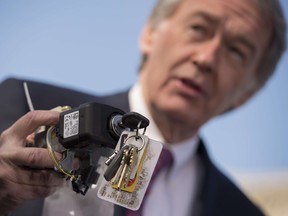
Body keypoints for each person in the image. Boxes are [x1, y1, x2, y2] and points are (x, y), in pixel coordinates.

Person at [0, 0, 286, 215]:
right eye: (198, 28)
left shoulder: (240, 211)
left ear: (247, 94)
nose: (206, 58)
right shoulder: (22, 105)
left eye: (236, 50)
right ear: (150, 33)